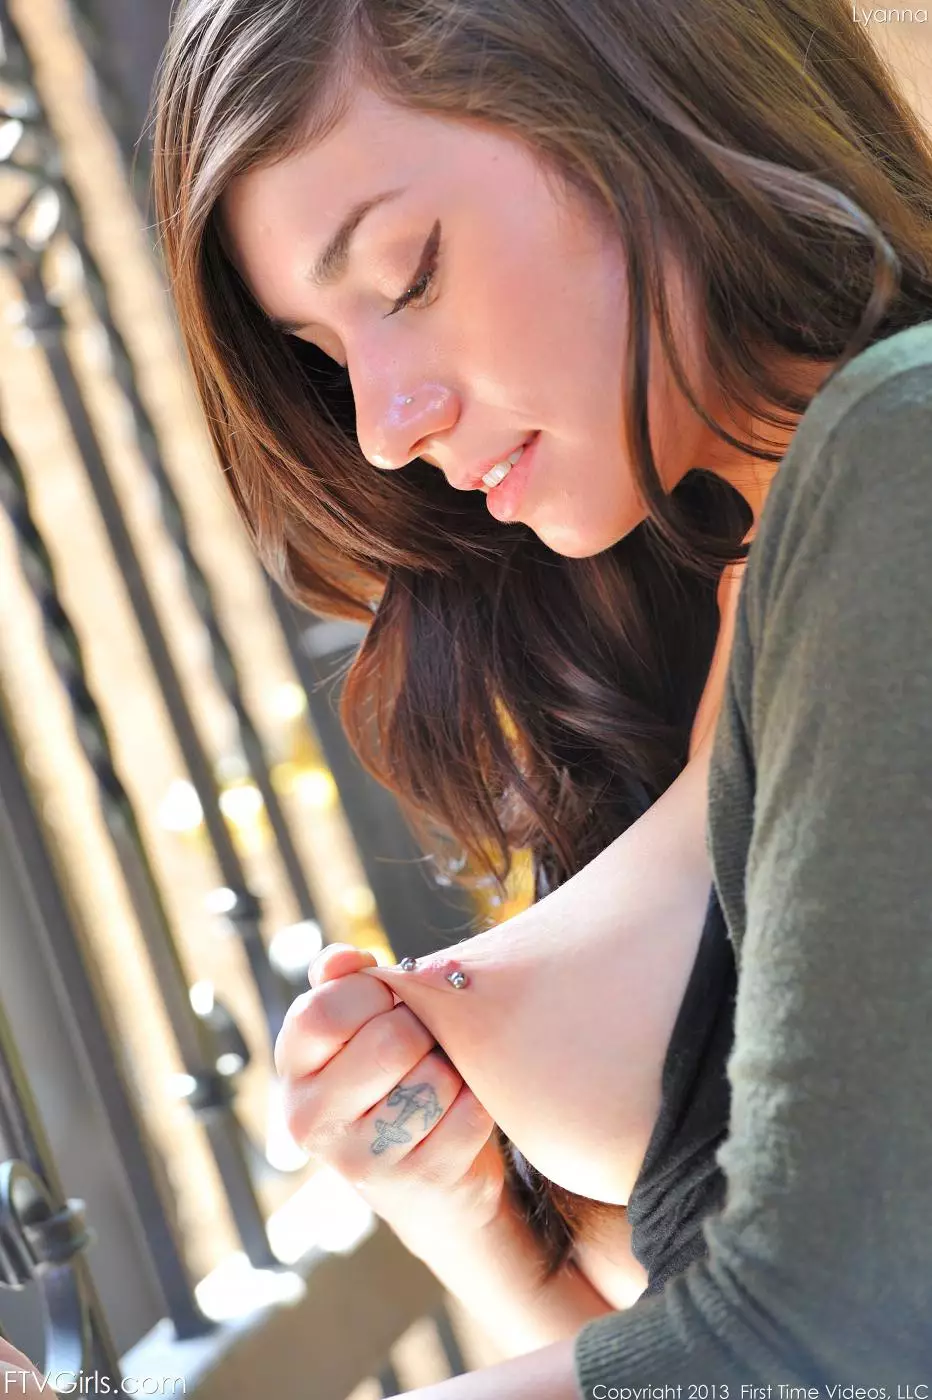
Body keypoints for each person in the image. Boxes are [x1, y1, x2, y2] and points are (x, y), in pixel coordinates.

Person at [149, 0, 932, 1389]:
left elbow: (826, 1335)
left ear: (644, 95)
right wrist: (480, 1233)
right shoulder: (666, 615)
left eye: (408, 276)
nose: (382, 425)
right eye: (325, 355)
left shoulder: (904, 454)